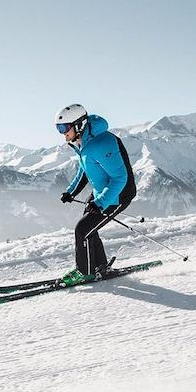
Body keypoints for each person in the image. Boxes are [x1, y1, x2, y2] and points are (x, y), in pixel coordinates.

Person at [54, 104, 137, 286]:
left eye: (64, 128)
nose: (62, 133)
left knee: (82, 229)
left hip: (119, 193)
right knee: (89, 227)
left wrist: (100, 202)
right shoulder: (85, 142)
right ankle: (99, 266)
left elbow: (119, 177)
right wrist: (71, 191)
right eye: (58, 128)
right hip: (103, 191)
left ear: (79, 124)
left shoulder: (101, 143)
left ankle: (85, 272)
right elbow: (84, 171)